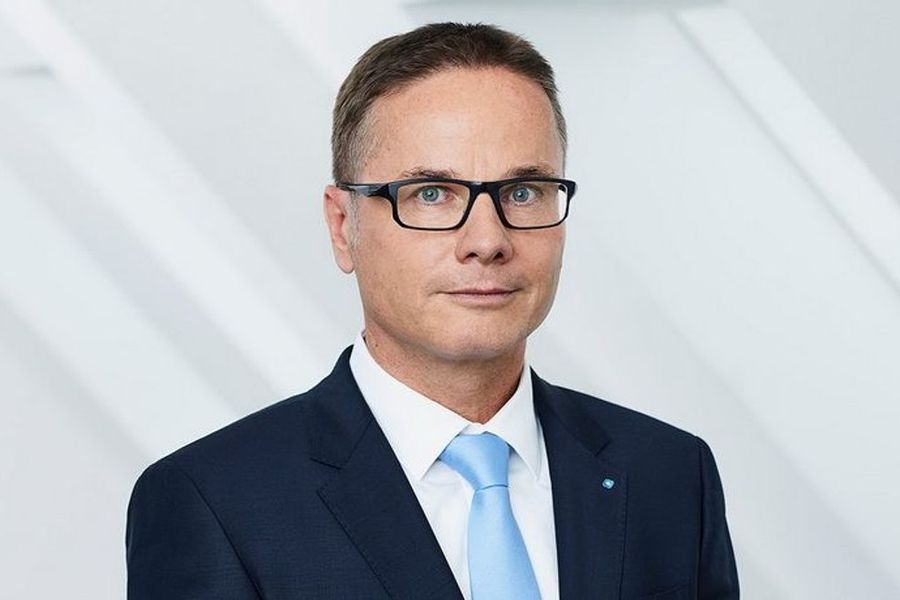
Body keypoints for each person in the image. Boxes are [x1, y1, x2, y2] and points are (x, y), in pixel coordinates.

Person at [126, 22, 739, 599]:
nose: (487, 240)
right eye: (431, 194)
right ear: (342, 226)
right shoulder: (214, 501)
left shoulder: (668, 473)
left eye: (523, 192)